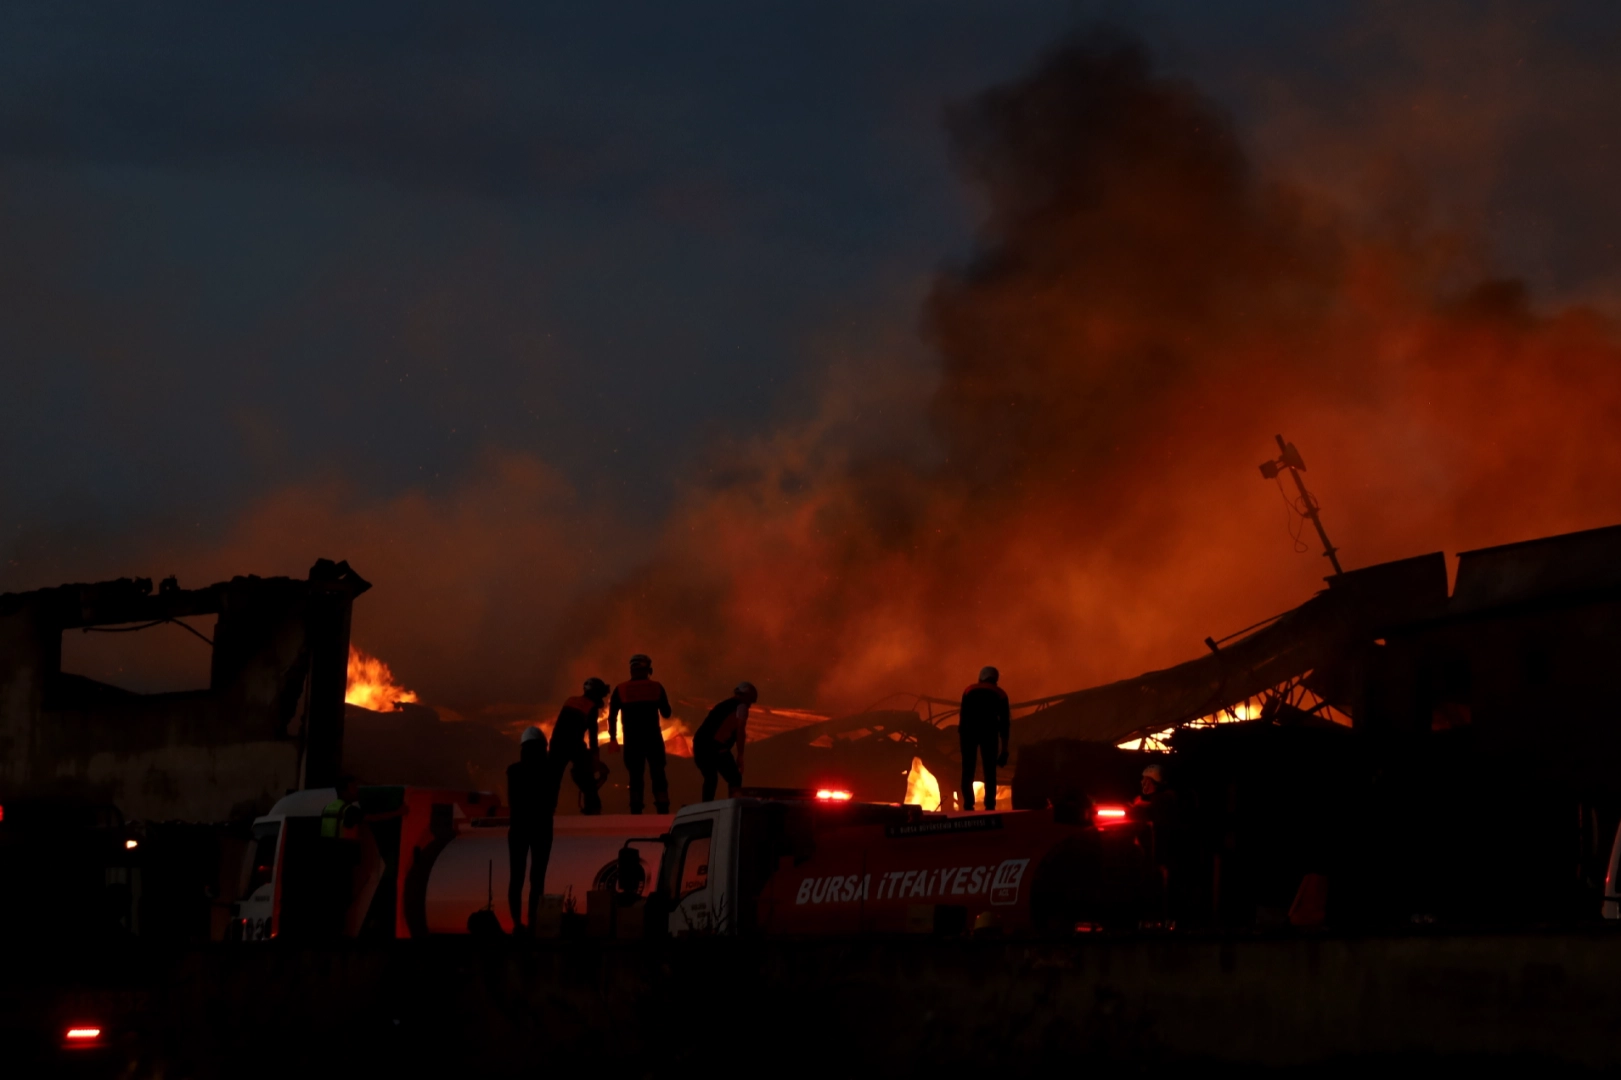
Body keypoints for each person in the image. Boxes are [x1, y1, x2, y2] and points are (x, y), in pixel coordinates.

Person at [608, 654, 674, 814]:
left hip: (632, 740)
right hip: (653, 739)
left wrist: (613, 739)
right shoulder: (656, 687)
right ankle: (662, 806)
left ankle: (636, 808)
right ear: (648, 669)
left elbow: (612, 716)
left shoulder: (621, 689)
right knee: (658, 772)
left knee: (635, 775)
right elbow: (666, 713)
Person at [506, 725, 555, 933]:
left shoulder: (513, 771)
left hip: (518, 828)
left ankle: (517, 923)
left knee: (516, 877)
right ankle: (533, 922)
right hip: (542, 829)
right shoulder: (549, 770)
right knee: (537, 878)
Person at [550, 677, 609, 815]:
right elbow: (593, 734)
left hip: (556, 743)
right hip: (574, 744)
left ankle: (548, 808)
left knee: (553, 779)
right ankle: (593, 807)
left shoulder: (570, 700)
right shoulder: (591, 706)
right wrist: (595, 757)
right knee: (586, 777)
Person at [693, 681, 757, 801]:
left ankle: (705, 807)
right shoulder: (741, 706)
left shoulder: (722, 705)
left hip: (700, 745)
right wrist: (740, 755)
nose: (750, 705)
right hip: (715, 747)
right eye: (751, 701)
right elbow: (740, 731)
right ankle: (733, 806)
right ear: (747, 697)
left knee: (710, 777)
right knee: (735, 778)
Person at [958, 666, 1011, 810]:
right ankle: (990, 805)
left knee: (967, 770)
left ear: (981, 676)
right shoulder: (1001, 694)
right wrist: (1004, 750)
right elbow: (1005, 724)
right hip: (989, 733)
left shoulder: (969, 690)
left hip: (968, 733)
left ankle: (968, 804)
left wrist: (962, 738)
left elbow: (962, 716)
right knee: (990, 771)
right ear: (995, 679)